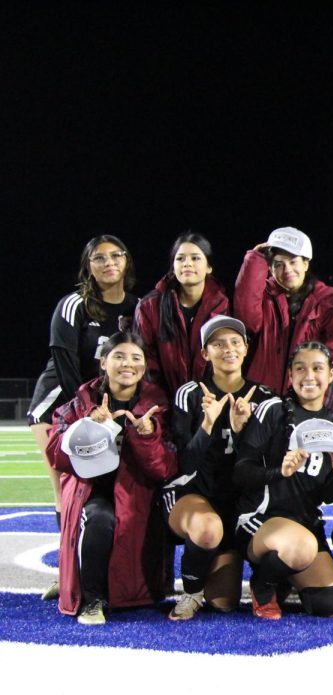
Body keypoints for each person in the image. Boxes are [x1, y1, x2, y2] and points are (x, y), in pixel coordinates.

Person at [28, 235, 138, 601]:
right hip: (61, 405)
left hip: (107, 407)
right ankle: (66, 575)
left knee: (110, 489)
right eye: (99, 258)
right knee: (66, 491)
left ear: (126, 262)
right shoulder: (74, 305)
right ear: (87, 266)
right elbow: (63, 361)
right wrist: (86, 409)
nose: (108, 263)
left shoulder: (137, 308)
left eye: (115, 256)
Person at [45, 330, 176, 624]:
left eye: (135, 358)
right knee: (100, 517)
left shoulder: (158, 406)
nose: (127, 364)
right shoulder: (81, 402)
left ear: (143, 367)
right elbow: (57, 455)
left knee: (134, 518)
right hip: (92, 492)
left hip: (137, 494)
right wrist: (87, 427)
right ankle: (92, 601)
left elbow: (164, 469)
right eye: (118, 356)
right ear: (103, 362)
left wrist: (147, 436)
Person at [234, 342, 333, 619]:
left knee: (331, 603)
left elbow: (328, 496)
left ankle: (283, 575)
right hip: (262, 519)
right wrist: (279, 472)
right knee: (302, 547)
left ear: (331, 375)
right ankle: (263, 584)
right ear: (290, 375)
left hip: (304, 525)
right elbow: (240, 472)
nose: (309, 375)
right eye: (300, 368)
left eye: (317, 368)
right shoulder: (274, 410)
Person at [164, 316, 271, 620]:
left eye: (235, 341)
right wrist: (208, 424)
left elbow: (264, 465)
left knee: (224, 603)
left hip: (240, 505)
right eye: (218, 343)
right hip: (197, 494)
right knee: (208, 528)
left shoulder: (264, 397)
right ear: (204, 352)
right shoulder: (190, 394)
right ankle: (191, 591)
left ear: (246, 349)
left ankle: (233, 564)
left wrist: (241, 433)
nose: (228, 349)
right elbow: (185, 464)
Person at [234, 227, 333, 410]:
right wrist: (254, 260)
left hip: (306, 403)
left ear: (306, 264)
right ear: (269, 268)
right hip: (259, 402)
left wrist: (322, 409)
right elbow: (247, 321)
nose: (287, 270)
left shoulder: (330, 302)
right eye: (278, 264)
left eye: (293, 261)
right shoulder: (264, 296)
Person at [134, 232, 230, 395]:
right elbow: (144, 361)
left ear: (209, 267)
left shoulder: (222, 305)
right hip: (162, 404)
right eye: (180, 259)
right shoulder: (149, 306)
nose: (187, 264)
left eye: (195, 258)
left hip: (209, 401)